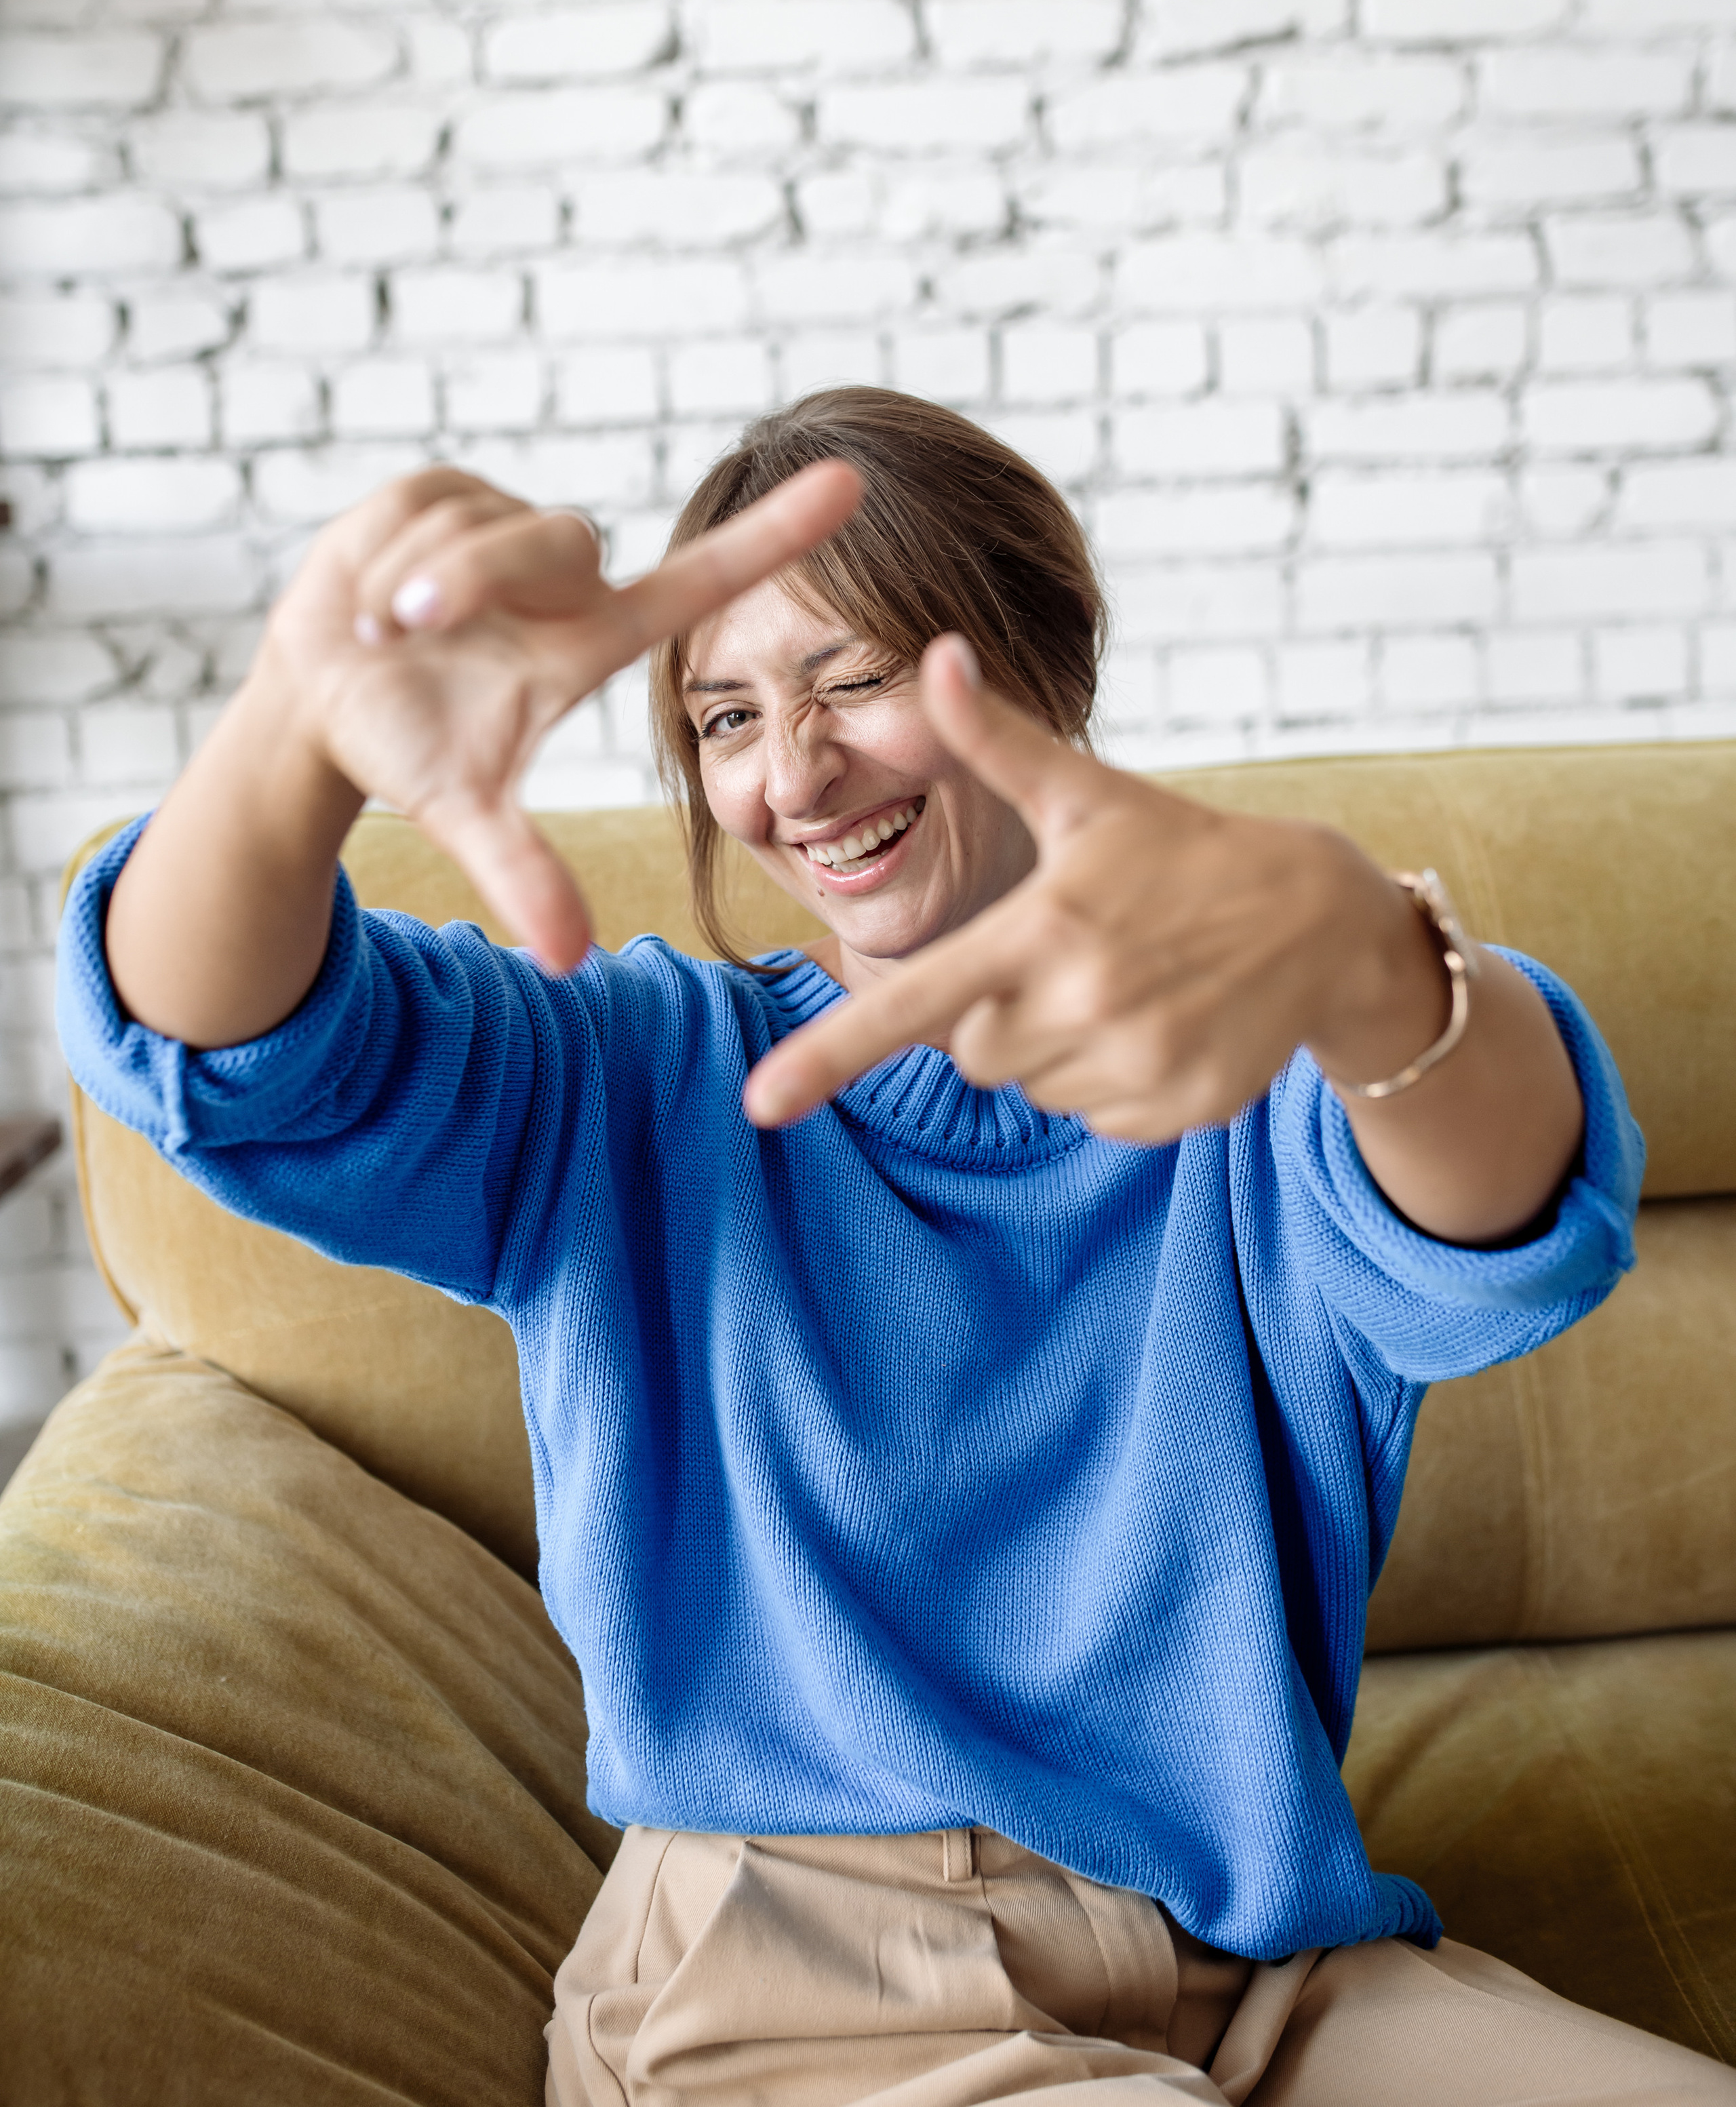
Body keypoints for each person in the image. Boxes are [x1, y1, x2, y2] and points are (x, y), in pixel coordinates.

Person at [57, 389, 1732, 2107]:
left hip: (1266, 1973)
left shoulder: (1250, 1061)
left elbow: (1518, 1224)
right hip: (795, 1980)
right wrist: (293, 732)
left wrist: (1374, 962)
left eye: (852, 679)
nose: (788, 777)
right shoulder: (627, 1078)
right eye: (723, 716)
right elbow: (218, 1051)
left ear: (1044, 674)